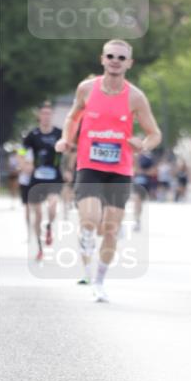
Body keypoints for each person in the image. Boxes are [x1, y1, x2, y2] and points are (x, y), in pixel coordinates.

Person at [55, 39, 161, 301]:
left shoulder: (135, 97)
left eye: (121, 58)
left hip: (120, 169)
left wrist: (143, 144)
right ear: (102, 59)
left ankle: (99, 281)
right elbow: (72, 116)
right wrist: (66, 139)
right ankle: (86, 242)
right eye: (111, 56)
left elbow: (154, 133)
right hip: (89, 164)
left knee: (111, 228)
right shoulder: (86, 89)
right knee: (90, 219)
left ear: (129, 63)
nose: (115, 60)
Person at [23, 102, 63, 261]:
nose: (46, 116)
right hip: (36, 178)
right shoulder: (32, 135)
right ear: (39, 116)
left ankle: (49, 227)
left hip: (54, 177)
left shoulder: (59, 133)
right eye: (43, 113)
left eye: (49, 113)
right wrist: (24, 164)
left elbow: (70, 149)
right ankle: (40, 248)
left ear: (52, 115)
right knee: (37, 214)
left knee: (52, 206)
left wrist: (68, 168)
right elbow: (21, 150)